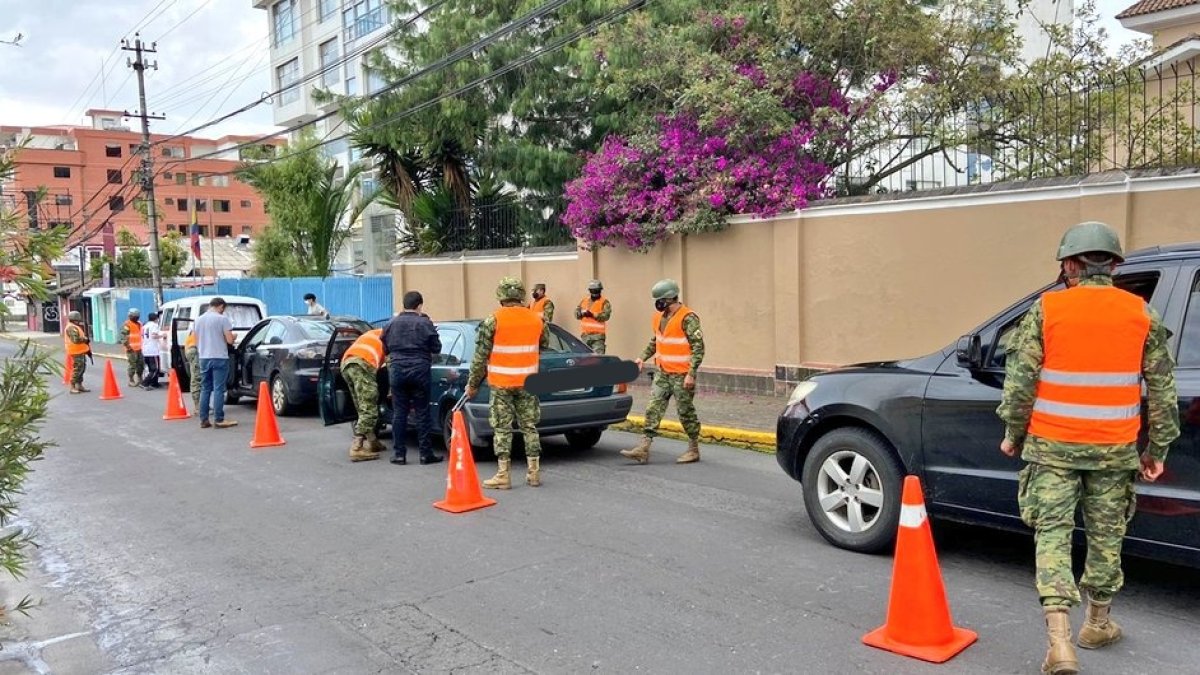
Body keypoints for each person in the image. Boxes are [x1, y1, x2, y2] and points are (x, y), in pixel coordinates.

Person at [996, 221, 1179, 675]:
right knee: (1106, 535)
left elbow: (1020, 384)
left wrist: (1013, 435)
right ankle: (1096, 624)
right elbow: (1162, 391)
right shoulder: (1141, 314)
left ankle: (1059, 645)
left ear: (1070, 265)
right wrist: (1157, 449)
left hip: (1053, 448)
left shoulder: (1047, 309)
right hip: (1114, 452)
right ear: (1115, 265)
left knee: (1053, 536)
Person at [466, 277, 550, 489]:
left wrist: (473, 384)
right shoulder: (536, 319)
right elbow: (544, 344)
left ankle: (503, 475)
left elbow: (480, 357)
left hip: (502, 384)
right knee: (530, 426)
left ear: (501, 296)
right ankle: (534, 473)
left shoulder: (492, 320)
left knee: (502, 429)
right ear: (521, 296)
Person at [621, 279, 706, 465]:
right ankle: (643, 448)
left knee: (685, 412)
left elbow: (698, 347)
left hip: (682, 375)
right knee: (653, 409)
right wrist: (642, 357)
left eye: (659, 299)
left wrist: (691, 373)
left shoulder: (688, 318)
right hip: (663, 373)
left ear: (669, 299)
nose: (657, 303)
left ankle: (693, 449)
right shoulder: (659, 317)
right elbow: (656, 341)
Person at [382, 291, 442, 465]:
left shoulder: (391, 324)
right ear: (419, 305)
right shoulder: (425, 323)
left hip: (398, 371)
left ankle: (399, 455)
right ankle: (425, 454)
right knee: (422, 412)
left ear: (404, 304)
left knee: (399, 413)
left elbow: (385, 348)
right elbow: (436, 348)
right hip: (420, 371)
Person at [341, 328, 386, 463]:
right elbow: (391, 362)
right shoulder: (390, 336)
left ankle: (372, 441)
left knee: (361, 406)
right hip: (363, 364)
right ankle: (357, 447)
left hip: (347, 364)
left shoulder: (375, 333)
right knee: (369, 408)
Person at [194, 297, 238, 429]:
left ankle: (204, 419)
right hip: (219, 357)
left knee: (205, 388)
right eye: (223, 309)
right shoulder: (222, 319)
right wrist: (234, 336)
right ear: (221, 306)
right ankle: (219, 419)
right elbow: (230, 340)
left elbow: (196, 340)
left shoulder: (198, 320)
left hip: (203, 357)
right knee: (218, 389)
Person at [575, 279, 611, 353]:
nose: (595, 292)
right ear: (590, 291)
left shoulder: (604, 302)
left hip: (597, 337)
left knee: (598, 360)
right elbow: (576, 313)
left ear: (600, 290)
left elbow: (606, 316)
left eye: (597, 290)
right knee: (585, 360)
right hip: (585, 336)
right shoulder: (584, 301)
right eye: (593, 290)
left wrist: (593, 315)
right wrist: (581, 313)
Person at [64, 310, 91, 394]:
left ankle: (79, 385)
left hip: (79, 351)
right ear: (74, 319)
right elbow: (76, 340)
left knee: (82, 368)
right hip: (75, 351)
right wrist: (85, 339)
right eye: (78, 320)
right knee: (78, 369)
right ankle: (72, 386)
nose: (79, 321)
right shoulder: (71, 328)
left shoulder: (74, 326)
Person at [120, 308, 145, 386]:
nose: (136, 318)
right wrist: (128, 346)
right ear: (130, 316)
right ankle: (131, 380)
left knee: (141, 364)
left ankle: (140, 378)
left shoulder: (140, 324)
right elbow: (123, 337)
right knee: (132, 365)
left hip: (140, 348)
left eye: (137, 316)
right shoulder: (127, 325)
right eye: (134, 316)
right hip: (131, 349)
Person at [139, 312, 164, 389]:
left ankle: (154, 383)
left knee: (150, 367)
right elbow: (154, 335)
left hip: (145, 349)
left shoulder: (144, 326)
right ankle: (145, 383)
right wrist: (162, 335)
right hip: (152, 350)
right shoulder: (154, 325)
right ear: (156, 319)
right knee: (155, 369)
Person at [185, 330, 201, 414]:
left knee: (196, 377)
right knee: (197, 378)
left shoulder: (195, 327)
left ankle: (199, 405)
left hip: (191, 349)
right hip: (194, 350)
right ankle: (198, 407)